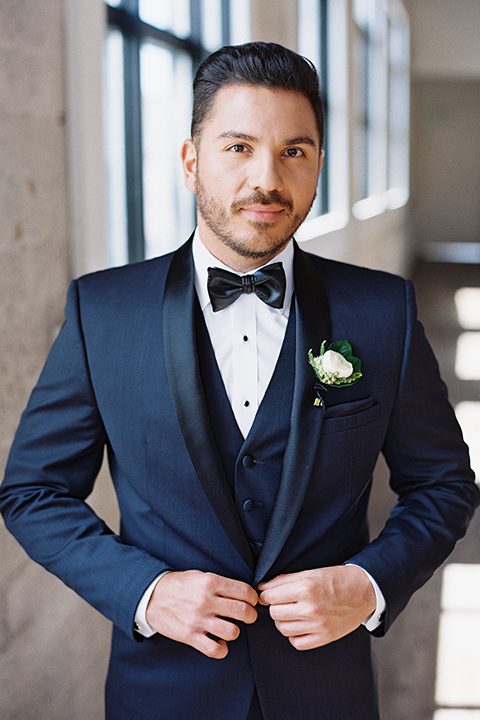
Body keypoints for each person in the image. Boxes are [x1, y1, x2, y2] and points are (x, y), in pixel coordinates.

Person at [0, 42, 478, 720]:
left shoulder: (383, 312)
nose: (267, 178)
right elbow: (33, 491)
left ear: (317, 167)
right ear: (192, 162)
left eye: (294, 151)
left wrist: (369, 582)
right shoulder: (101, 312)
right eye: (238, 147)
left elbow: (444, 484)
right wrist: (146, 591)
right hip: (162, 693)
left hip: (327, 693)